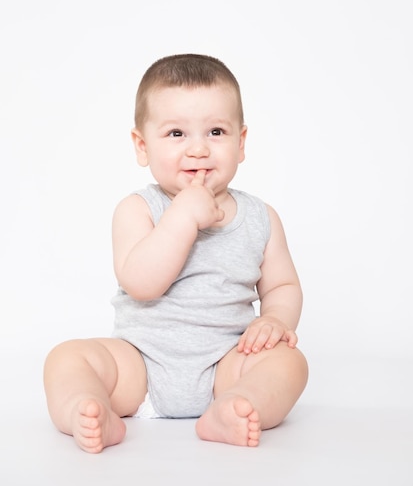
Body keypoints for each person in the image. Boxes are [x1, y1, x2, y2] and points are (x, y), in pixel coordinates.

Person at [43, 53, 308, 453]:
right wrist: (183, 217)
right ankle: (87, 406)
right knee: (66, 358)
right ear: (142, 145)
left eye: (216, 132)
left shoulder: (261, 217)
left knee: (291, 363)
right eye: (176, 134)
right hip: (140, 366)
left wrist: (274, 319)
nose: (198, 149)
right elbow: (141, 283)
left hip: (227, 365)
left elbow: (284, 285)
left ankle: (238, 406)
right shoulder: (137, 210)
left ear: (241, 142)